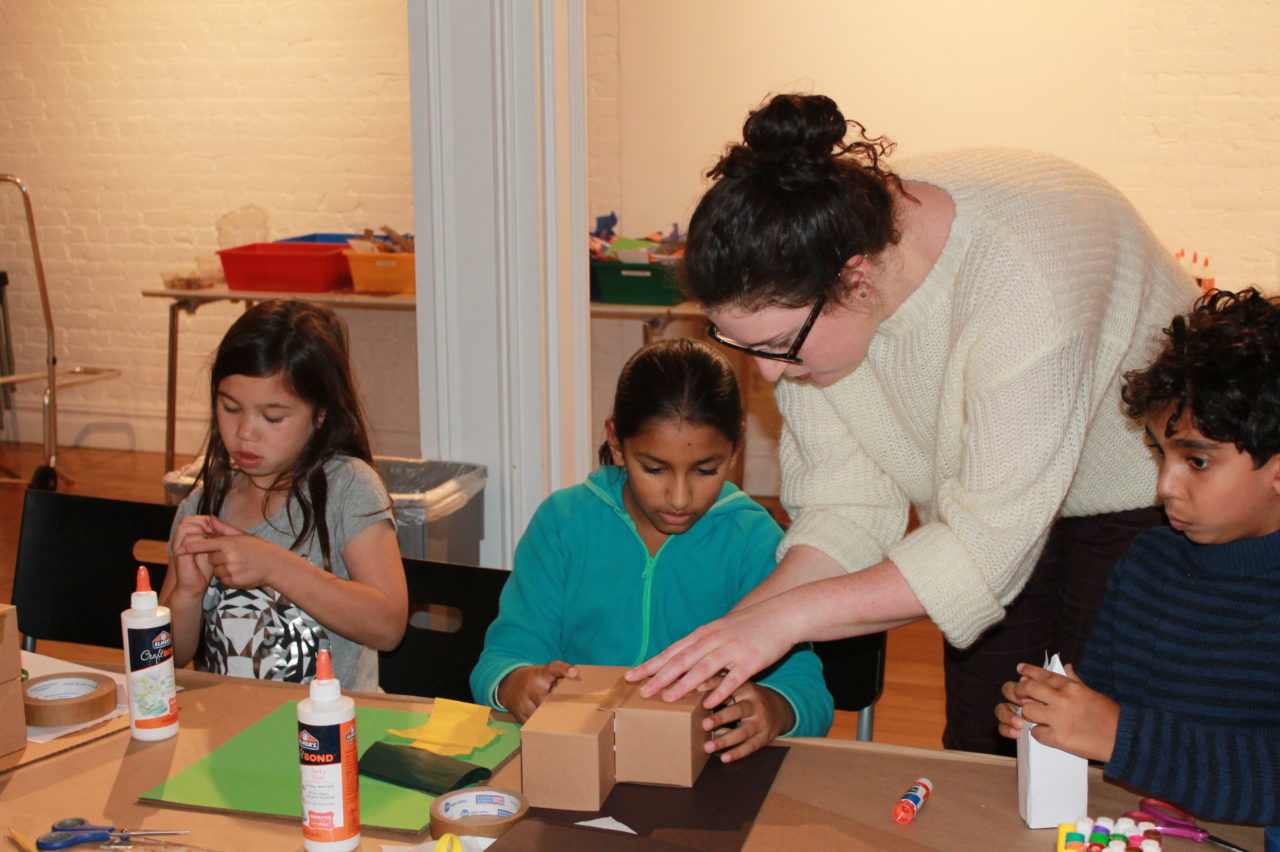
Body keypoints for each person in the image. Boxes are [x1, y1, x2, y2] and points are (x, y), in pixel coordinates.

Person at [626, 92, 1195, 755]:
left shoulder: (1023, 279)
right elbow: (848, 509)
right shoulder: (807, 274)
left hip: (1137, 493)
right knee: (987, 743)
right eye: (745, 347)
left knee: (1102, 745)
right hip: (982, 500)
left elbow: (982, 557)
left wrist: (781, 621)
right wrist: (736, 631)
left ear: (857, 281)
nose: (771, 376)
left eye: (779, 344)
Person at [470, 338, 833, 763]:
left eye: (706, 469)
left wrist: (777, 707)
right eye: (655, 469)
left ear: (737, 447)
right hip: (578, 760)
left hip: (704, 772)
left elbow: (809, 691)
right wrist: (514, 682)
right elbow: (500, 657)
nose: (679, 498)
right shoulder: (563, 524)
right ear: (617, 443)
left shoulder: (753, 540)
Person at [996, 288, 1280, 825]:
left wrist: (1116, 734)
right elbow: (1106, 704)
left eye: (1196, 461)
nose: (1164, 486)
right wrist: (1055, 714)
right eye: (1159, 453)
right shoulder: (1150, 561)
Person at [160, 300, 407, 692]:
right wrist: (187, 594)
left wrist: (275, 565)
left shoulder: (349, 487)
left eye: (272, 417)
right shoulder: (202, 507)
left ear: (320, 413)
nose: (245, 433)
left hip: (329, 735)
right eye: (230, 408)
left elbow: (388, 626)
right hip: (228, 731)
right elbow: (168, 661)